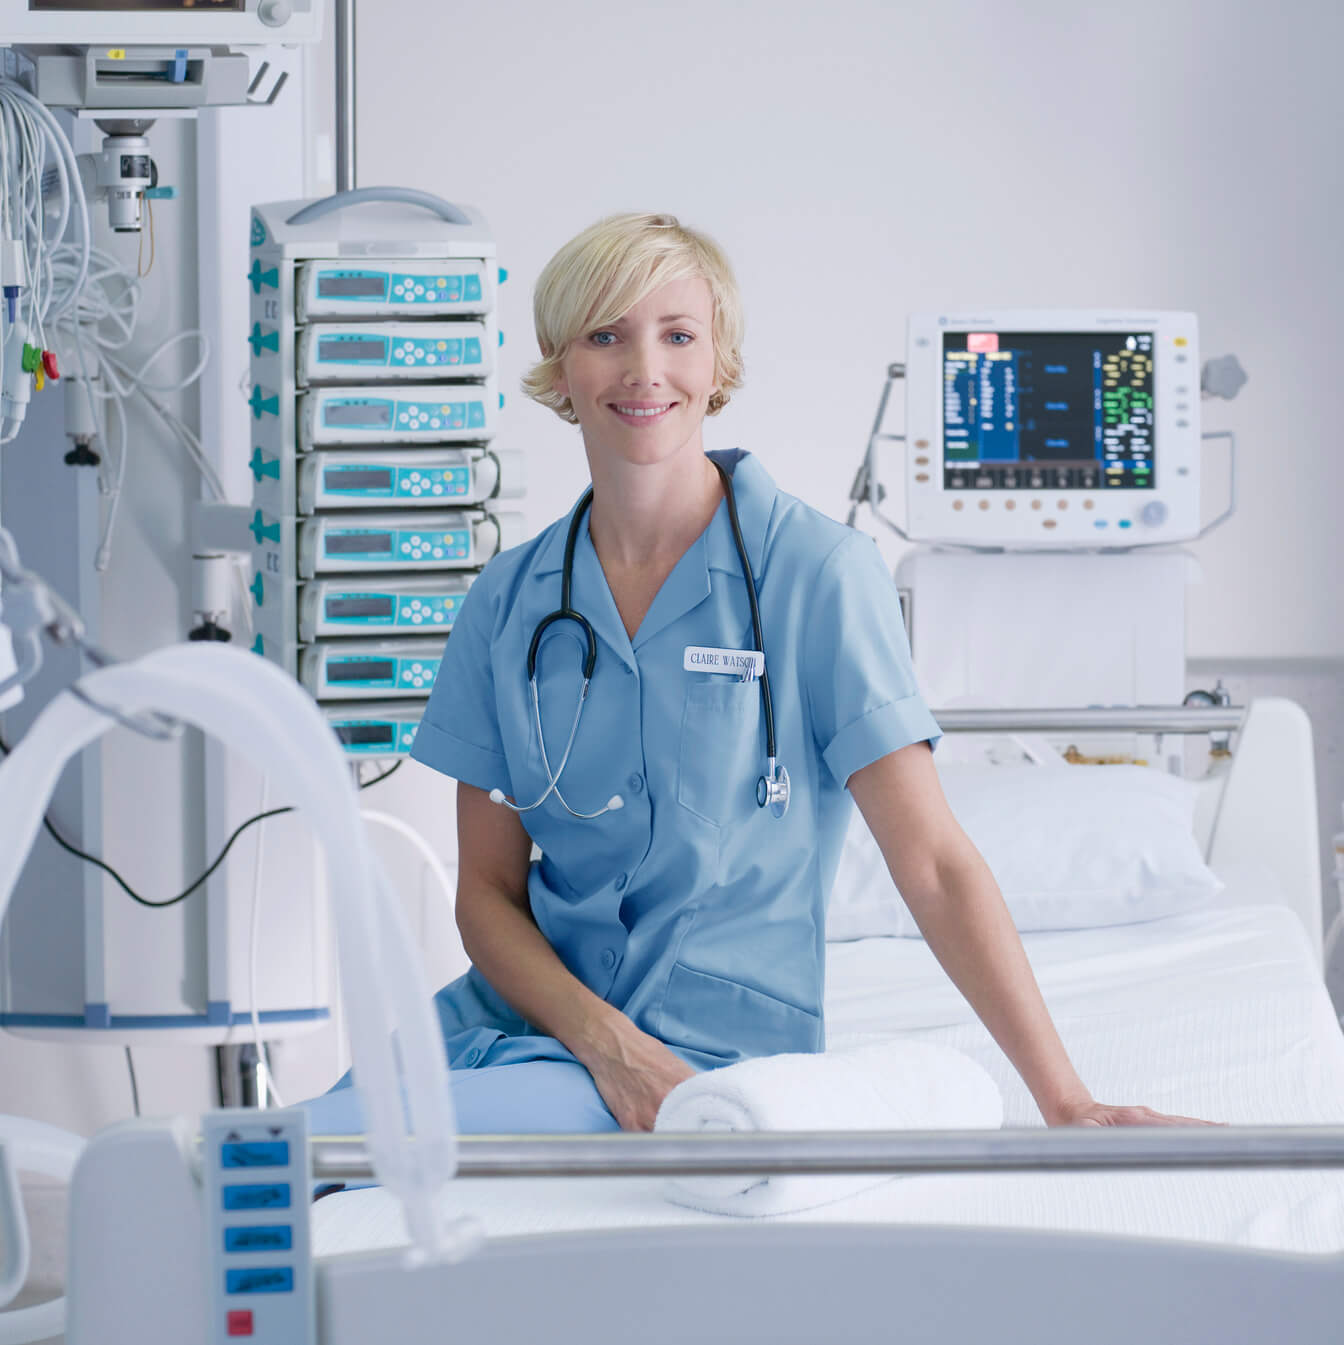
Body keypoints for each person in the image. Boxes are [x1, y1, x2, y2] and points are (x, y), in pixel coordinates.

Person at [316, 212, 1198, 1135]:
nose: (644, 368)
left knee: (331, 1151)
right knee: (295, 1142)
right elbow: (486, 893)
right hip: (516, 1025)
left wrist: (1068, 1101)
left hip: (705, 1050)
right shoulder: (510, 599)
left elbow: (933, 863)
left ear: (719, 363)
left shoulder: (816, 574)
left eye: (678, 335)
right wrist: (603, 1044)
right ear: (560, 366)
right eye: (605, 336)